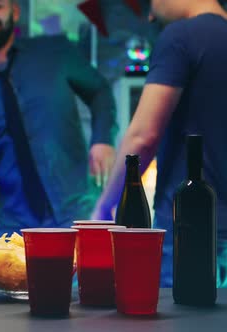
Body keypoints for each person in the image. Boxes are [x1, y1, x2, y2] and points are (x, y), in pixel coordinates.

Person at [0, 0, 117, 242]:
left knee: (87, 280)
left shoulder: (55, 52)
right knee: (11, 280)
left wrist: (102, 140)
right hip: (12, 223)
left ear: (15, 11)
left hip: (77, 211)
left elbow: (99, 92)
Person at [93, 0, 227, 288]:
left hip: (191, 230)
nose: (152, 15)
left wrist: (104, 208)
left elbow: (143, 137)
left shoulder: (181, 36)